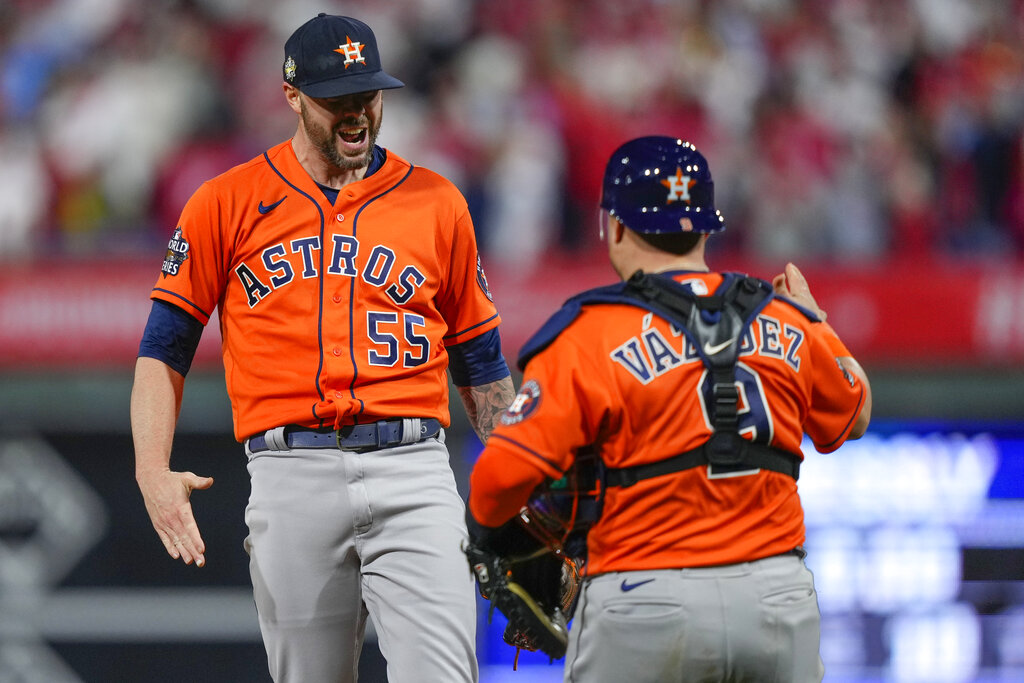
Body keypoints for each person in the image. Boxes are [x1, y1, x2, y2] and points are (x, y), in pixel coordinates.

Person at [131, 14, 515, 683]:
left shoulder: (438, 201)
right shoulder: (226, 201)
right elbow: (164, 348)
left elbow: (481, 365)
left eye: (368, 95)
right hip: (290, 472)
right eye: (337, 99)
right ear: (291, 96)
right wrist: (150, 470)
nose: (357, 114)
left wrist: (521, 493)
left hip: (414, 468)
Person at [465, 136, 871, 682]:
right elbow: (856, 409)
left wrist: (497, 540)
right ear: (705, 227)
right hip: (778, 603)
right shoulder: (785, 318)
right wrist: (816, 322)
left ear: (614, 225)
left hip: (646, 600)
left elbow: (496, 482)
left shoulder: (589, 333)